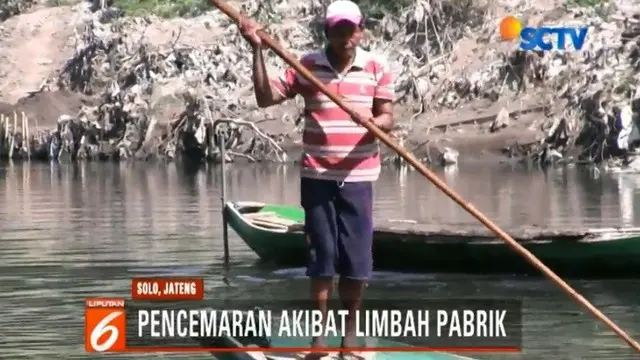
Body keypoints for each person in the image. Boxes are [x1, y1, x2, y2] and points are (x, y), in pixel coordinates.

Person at [239, 0, 394, 357]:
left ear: (361, 30)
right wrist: (257, 52)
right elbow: (265, 98)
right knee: (322, 258)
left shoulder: (377, 66)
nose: (345, 37)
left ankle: (350, 339)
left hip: (358, 177)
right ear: (327, 31)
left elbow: (387, 117)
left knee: (356, 261)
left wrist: (371, 122)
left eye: (351, 29)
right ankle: (320, 340)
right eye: (338, 30)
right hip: (318, 177)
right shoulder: (307, 65)